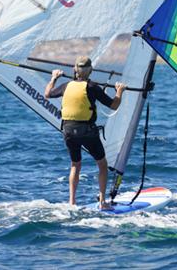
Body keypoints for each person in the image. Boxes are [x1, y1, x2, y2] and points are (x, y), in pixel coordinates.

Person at [44, 56, 125, 209]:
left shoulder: (66, 86)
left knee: (75, 164)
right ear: (91, 71)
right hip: (87, 131)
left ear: (75, 70)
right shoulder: (92, 87)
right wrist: (119, 91)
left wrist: (53, 78)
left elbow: (47, 94)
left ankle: (72, 202)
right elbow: (114, 105)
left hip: (68, 131)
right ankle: (102, 202)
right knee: (102, 164)